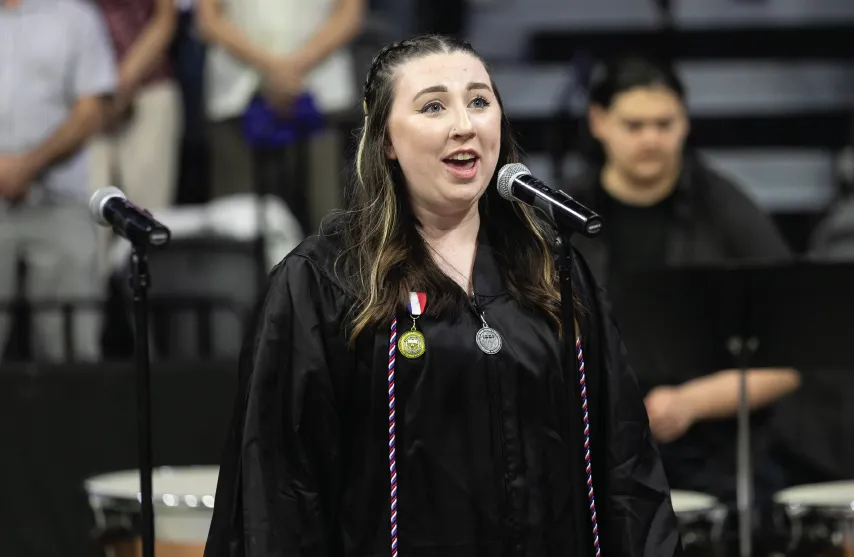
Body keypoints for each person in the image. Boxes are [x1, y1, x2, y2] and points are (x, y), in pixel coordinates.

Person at [204, 35, 682, 556]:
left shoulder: (550, 268)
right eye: (433, 106)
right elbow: (280, 488)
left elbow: (624, 464)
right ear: (385, 137)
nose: (465, 124)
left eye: (479, 101)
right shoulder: (326, 281)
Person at [562, 55, 801, 546]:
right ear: (599, 122)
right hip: (596, 446)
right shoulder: (566, 216)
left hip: (713, 454)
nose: (651, 138)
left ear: (685, 122)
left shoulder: (727, 209)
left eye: (664, 124)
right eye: (634, 124)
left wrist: (690, 403)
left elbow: (790, 359)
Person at [0, 0, 116, 362]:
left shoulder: (75, 18)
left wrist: (27, 165)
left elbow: (90, 111)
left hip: (58, 201)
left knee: (73, 357)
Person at [197, 0, 364, 234]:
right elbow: (208, 18)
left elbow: (349, 14)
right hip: (236, 90)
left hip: (320, 90)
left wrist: (292, 66)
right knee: (236, 222)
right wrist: (274, 67)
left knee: (326, 218)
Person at [89, 0, 181, 278]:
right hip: (81, 104)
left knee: (147, 222)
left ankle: (149, 320)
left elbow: (166, 18)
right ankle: (93, 321)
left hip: (148, 90)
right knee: (87, 230)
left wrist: (122, 80)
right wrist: (96, 86)